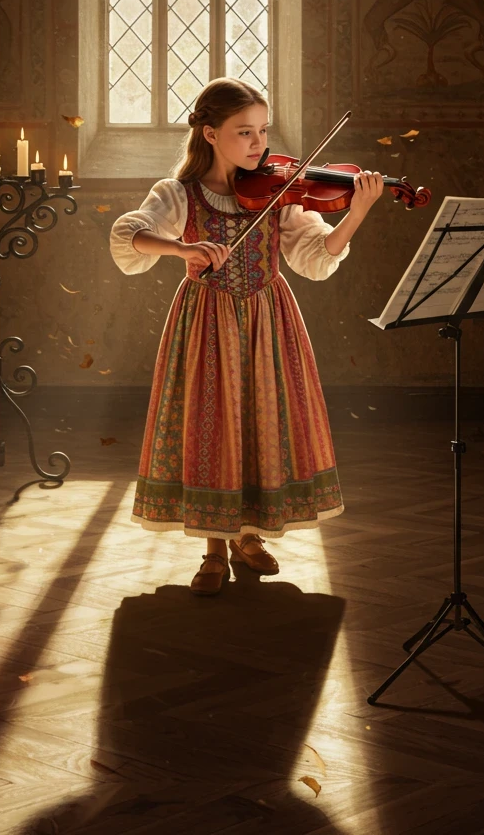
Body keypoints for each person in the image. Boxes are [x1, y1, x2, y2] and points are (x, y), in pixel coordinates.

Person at [110, 77, 384, 596]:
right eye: (245, 132)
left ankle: (249, 535)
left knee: (261, 419)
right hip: (206, 322)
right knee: (211, 423)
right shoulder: (179, 193)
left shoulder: (280, 192)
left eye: (263, 130)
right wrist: (183, 250)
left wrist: (359, 211)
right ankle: (213, 547)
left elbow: (314, 258)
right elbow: (131, 234)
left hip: (268, 318)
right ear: (210, 134)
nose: (259, 143)